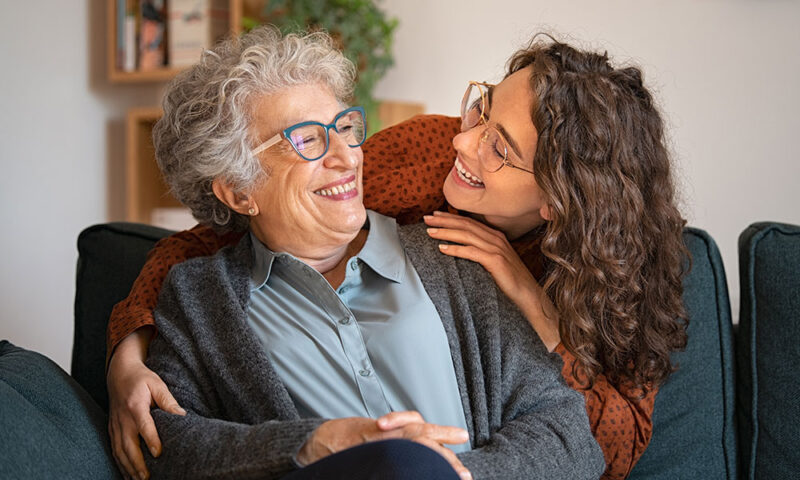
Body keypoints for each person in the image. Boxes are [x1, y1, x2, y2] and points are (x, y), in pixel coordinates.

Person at [106, 32, 688, 480]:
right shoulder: (427, 162)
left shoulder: (467, 265)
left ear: (559, 201)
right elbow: (204, 243)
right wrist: (127, 352)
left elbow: (587, 440)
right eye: (309, 138)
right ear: (238, 189)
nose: (465, 141)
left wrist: (534, 311)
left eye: (344, 128)